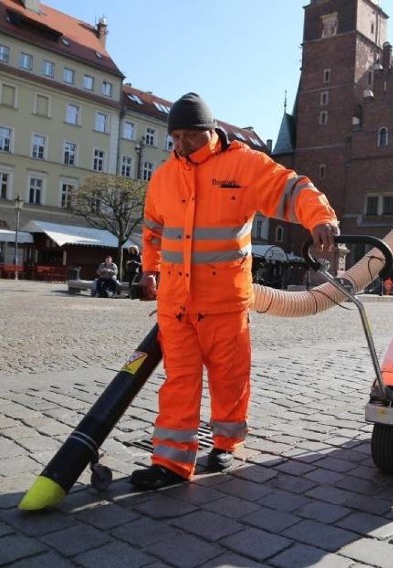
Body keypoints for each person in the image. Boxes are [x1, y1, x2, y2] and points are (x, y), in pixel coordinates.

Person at [131, 92, 339, 490]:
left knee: (229, 379)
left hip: (224, 302)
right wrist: (149, 271)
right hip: (175, 305)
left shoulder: (243, 165)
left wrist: (320, 217)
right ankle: (171, 464)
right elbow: (153, 231)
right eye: (174, 138)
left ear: (208, 131)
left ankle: (226, 443)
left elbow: (291, 188)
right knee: (179, 382)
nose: (180, 145)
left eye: (188, 137)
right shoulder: (163, 177)